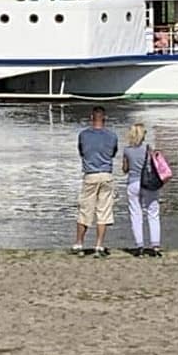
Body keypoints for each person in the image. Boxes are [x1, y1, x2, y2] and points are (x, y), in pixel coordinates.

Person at [72, 107, 119, 256]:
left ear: (91, 117)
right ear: (104, 118)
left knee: (85, 210)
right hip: (106, 174)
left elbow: (81, 152)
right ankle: (99, 245)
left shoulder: (84, 135)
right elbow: (113, 153)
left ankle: (79, 243)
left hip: (90, 174)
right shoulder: (112, 136)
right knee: (103, 211)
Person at [120, 123, 163, 257]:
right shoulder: (149, 149)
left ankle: (139, 246)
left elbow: (125, 169)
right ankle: (155, 245)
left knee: (136, 215)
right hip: (148, 183)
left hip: (133, 183)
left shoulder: (127, 150)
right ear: (143, 135)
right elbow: (156, 165)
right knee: (153, 212)